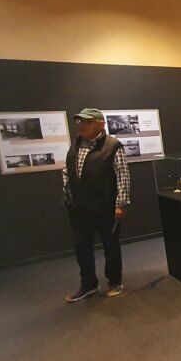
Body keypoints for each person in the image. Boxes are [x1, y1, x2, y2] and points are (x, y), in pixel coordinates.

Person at [62, 108, 131, 302]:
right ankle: (88, 284)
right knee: (81, 245)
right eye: (80, 122)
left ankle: (115, 280)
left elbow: (122, 175)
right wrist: (67, 189)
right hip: (79, 207)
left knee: (110, 245)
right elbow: (67, 169)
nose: (81, 126)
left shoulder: (112, 146)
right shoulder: (76, 143)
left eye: (87, 122)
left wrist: (121, 204)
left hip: (105, 206)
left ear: (100, 124)